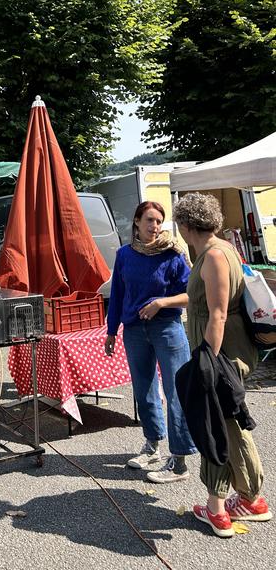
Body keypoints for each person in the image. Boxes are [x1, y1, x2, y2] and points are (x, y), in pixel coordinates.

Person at [173, 192, 272, 537]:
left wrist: (207, 361)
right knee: (230, 421)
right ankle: (251, 497)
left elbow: (216, 313)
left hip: (221, 350)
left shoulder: (214, 255)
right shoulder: (219, 250)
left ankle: (218, 508)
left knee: (215, 421)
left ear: (185, 225)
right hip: (222, 348)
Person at [105, 201, 196, 483]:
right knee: (144, 390)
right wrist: (111, 330)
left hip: (167, 327)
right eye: (150, 220)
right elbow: (117, 295)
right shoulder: (124, 255)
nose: (155, 226)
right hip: (134, 329)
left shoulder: (173, 254)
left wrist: (161, 302)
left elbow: (193, 293)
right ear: (136, 222)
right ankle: (153, 444)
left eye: (159, 221)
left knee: (176, 391)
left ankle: (179, 461)